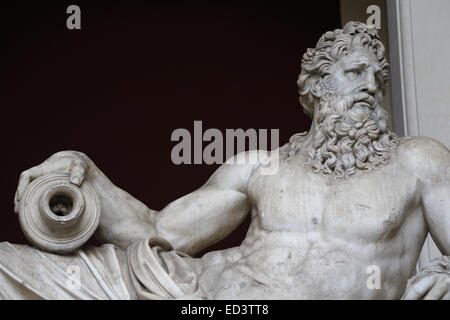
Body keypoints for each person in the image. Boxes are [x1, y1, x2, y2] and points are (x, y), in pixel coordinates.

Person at [1, 21, 449, 300]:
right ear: (315, 87)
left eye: (378, 77)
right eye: (355, 72)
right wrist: (89, 174)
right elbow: (159, 232)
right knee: (7, 269)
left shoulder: (416, 160)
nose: (371, 86)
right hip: (191, 291)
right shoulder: (260, 166)